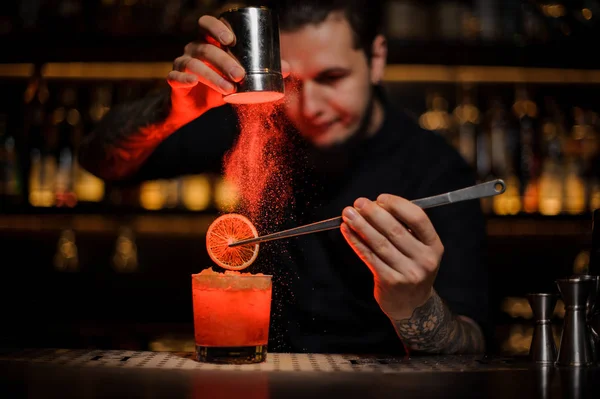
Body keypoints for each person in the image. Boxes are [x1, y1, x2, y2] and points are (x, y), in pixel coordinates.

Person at [79, 0, 491, 356]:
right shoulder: (258, 121)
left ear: (376, 58)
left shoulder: (435, 169)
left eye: (332, 78)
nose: (310, 106)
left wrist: (415, 305)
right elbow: (102, 161)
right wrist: (169, 112)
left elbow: (473, 346)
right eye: (291, 82)